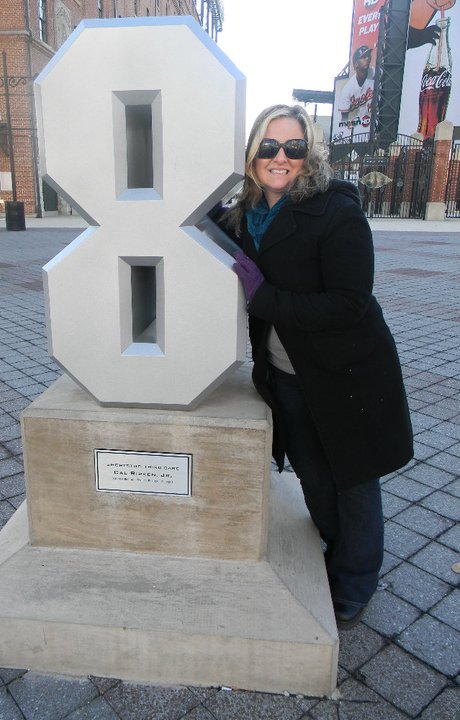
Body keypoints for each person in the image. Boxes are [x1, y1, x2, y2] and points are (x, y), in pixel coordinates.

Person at [224, 104, 413, 629]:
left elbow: (350, 302)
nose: (280, 157)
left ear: (309, 156)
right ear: (252, 154)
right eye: (269, 146)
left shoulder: (335, 210)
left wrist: (265, 298)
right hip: (285, 373)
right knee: (312, 473)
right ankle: (335, 550)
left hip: (346, 371)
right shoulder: (244, 215)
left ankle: (355, 580)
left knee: (352, 479)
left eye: (294, 147)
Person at [338, 45, 374, 127]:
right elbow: (343, 120)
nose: (367, 58)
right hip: (356, 126)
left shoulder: (375, 73)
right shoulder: (347, 89)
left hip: (374, 124)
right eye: (363, 57)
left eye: (368, 56)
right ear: (356, 64)